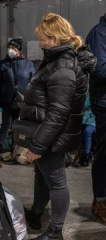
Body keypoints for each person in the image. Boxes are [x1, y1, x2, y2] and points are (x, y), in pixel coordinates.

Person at [16, 13, 96, 239]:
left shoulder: (62, 67)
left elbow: (58, 114)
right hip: (47, 132)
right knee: (42, 176)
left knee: (57, 181)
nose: (40, 43)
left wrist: (38, 146)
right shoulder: (55, 61)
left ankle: (55, 231)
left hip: (51, 135)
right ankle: (37, 213)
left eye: (44, 38)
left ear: (56, 38)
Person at [0, 38, 35, 161]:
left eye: (14, 48)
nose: (11, 50)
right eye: (9, 47)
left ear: (19, 50)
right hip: (6, 100)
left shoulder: (28, 64)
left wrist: (31, 101)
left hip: (22, 101)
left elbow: (33, 84)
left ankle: (17, 150)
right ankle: (3, 150)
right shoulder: (2, 63)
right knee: (4, 126)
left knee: (19, 127)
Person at [86, 12, 106, 223]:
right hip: (104, 104)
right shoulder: (99, 33)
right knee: (103, 156)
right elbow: (100, 70)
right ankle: (101, 200)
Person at [75, 95, 96, 167]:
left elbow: (86, 104)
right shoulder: (87, 92)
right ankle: (87, 154)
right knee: (78, 134)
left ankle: (85, 156)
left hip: (95, 122)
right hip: (83, 121)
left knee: (87, 132)